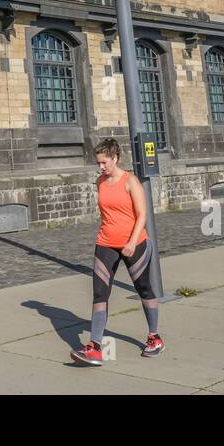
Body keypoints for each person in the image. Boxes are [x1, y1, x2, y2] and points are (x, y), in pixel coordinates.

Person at [71, 137, 163, 366]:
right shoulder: (100, 182)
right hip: (105, 243)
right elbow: (107, 213)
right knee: (99, 293)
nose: (101, 167)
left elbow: (142, 215)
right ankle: (94, 347)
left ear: (115, 158)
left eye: (104, 162)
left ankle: (154, 337)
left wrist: (131, 242)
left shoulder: (130, 181)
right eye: (98, 163)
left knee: (144, 289)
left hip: (135, 244)